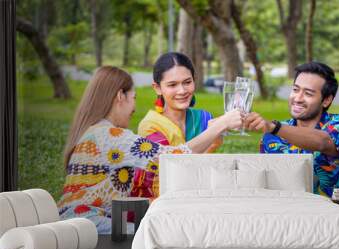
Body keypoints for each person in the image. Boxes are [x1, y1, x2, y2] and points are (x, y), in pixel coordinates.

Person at [57, 66, 243, 234]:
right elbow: (171, 158)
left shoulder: (96, 132)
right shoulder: (111, 136)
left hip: (80, 221)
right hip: (88, 223)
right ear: (120, 96)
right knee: (159, 234)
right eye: (134, 98)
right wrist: (220, 125)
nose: (134, 108)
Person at [244, 61, 339, 234]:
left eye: (308, 93)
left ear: (326, 100)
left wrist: (275, 127)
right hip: (300, 221)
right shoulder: (270, 139)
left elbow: (323, 142)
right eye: (295, 90)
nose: (297, 98)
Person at [134, 52, 222, 198]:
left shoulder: (204, 118)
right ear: (157, 88)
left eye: (187, 82)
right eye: (172, 85)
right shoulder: (150, 126)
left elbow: (206, 173)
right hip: (161, 202)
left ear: (195, 80)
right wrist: (212, 142)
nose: (182, 91)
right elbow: (172, 175)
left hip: (199, 195)